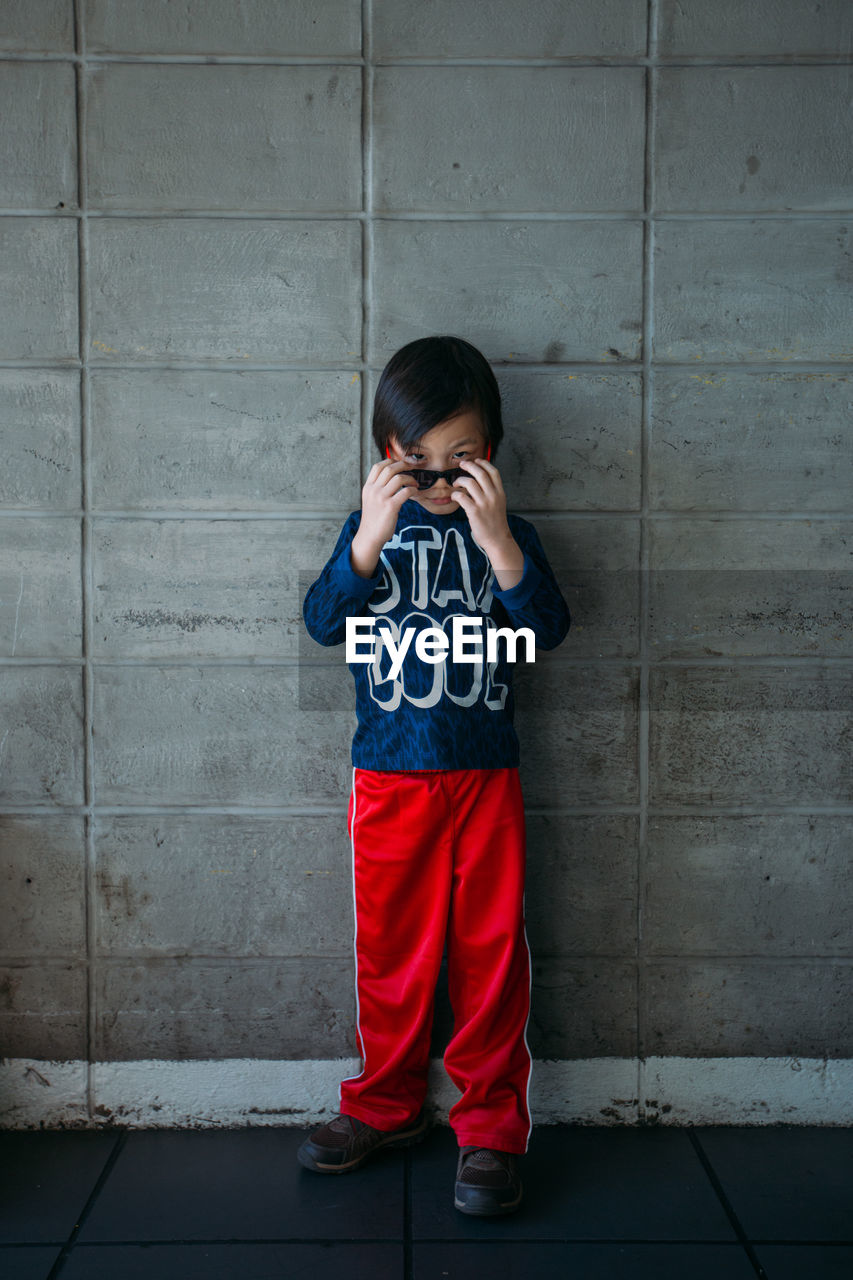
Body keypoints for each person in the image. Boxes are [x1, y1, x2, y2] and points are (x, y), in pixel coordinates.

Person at [298, 335, 570, 1215]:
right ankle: (385, 1105)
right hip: (387, 777)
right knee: (391, 956)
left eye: (462, 459)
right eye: (417, 461)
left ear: (490, 451)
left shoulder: (508, 534)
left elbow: (548, 628)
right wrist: (370, 536)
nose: (439, 478)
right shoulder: (367, 530)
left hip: (485, 776)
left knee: (491, 958)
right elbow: (319, 620)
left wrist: (498, 542)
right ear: (388, 455)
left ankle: (489, 1128)